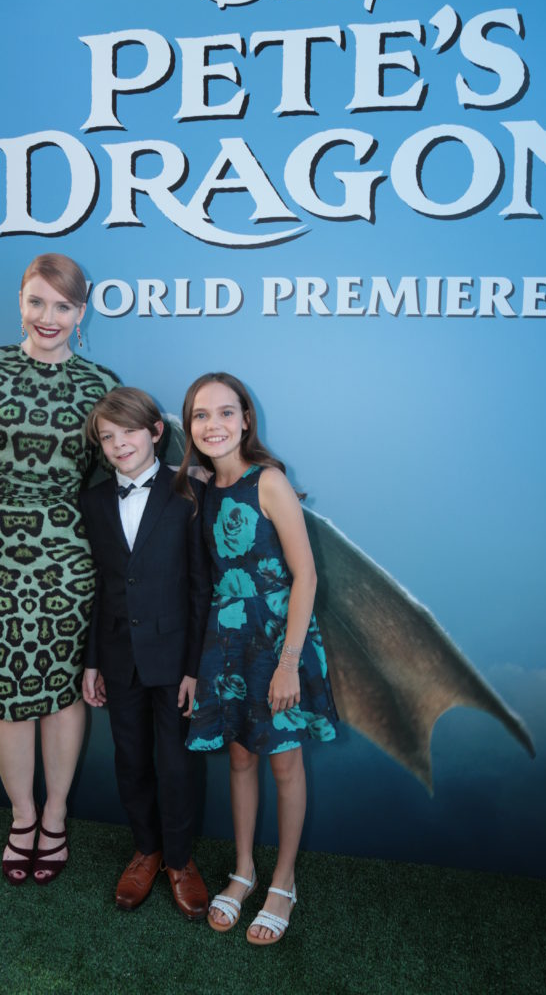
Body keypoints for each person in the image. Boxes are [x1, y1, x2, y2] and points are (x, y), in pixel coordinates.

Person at [0, 253, 120, 885]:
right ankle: (21, 817)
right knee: (6, 689)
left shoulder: (100, 384)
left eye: (63, 306)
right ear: (20, 300)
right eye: (37, 301)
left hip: (67, 556)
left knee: (63, 689)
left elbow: (120, 476)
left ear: (80, 312)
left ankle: (57, 817)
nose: (49, 317)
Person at [174, 372, 338, 945]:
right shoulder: (196, 487)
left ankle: (283, 882)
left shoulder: (268, 482)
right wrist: (198, 665)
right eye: (200, 415)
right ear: (189, 425)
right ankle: (242, 871)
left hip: (277, 643)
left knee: (285, 763)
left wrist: (290, 662)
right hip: (227, 640)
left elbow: (306, 576)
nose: (212, 424)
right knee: (239, 759)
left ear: (246, 419)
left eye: (225, 412)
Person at [79, 387, 211, 919]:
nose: (118, 444)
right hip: (117, 654)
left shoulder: (189, 493)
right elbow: (100, 586)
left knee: (177, 763)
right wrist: (92, 660)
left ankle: (180, 859)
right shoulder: (91, 501)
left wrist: (195, 669)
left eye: (128, 432)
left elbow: (202, 587)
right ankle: (146, 851)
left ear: (156, 432)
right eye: (107, 438)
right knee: (130, 758)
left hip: (176, 658)